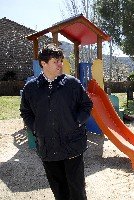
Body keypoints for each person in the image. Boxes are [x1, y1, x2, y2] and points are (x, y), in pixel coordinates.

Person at [20, 43, 93, 200]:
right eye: (55, 61)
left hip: (72, 145)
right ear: (43, 64)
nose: (60, 64)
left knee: (77, 190)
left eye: (61, 60)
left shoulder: (72, 84)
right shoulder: (31, 88)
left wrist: (77, 122)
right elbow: (25, 111)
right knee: (59, 191)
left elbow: (87, 105)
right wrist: (35, 128)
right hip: (48, 147)